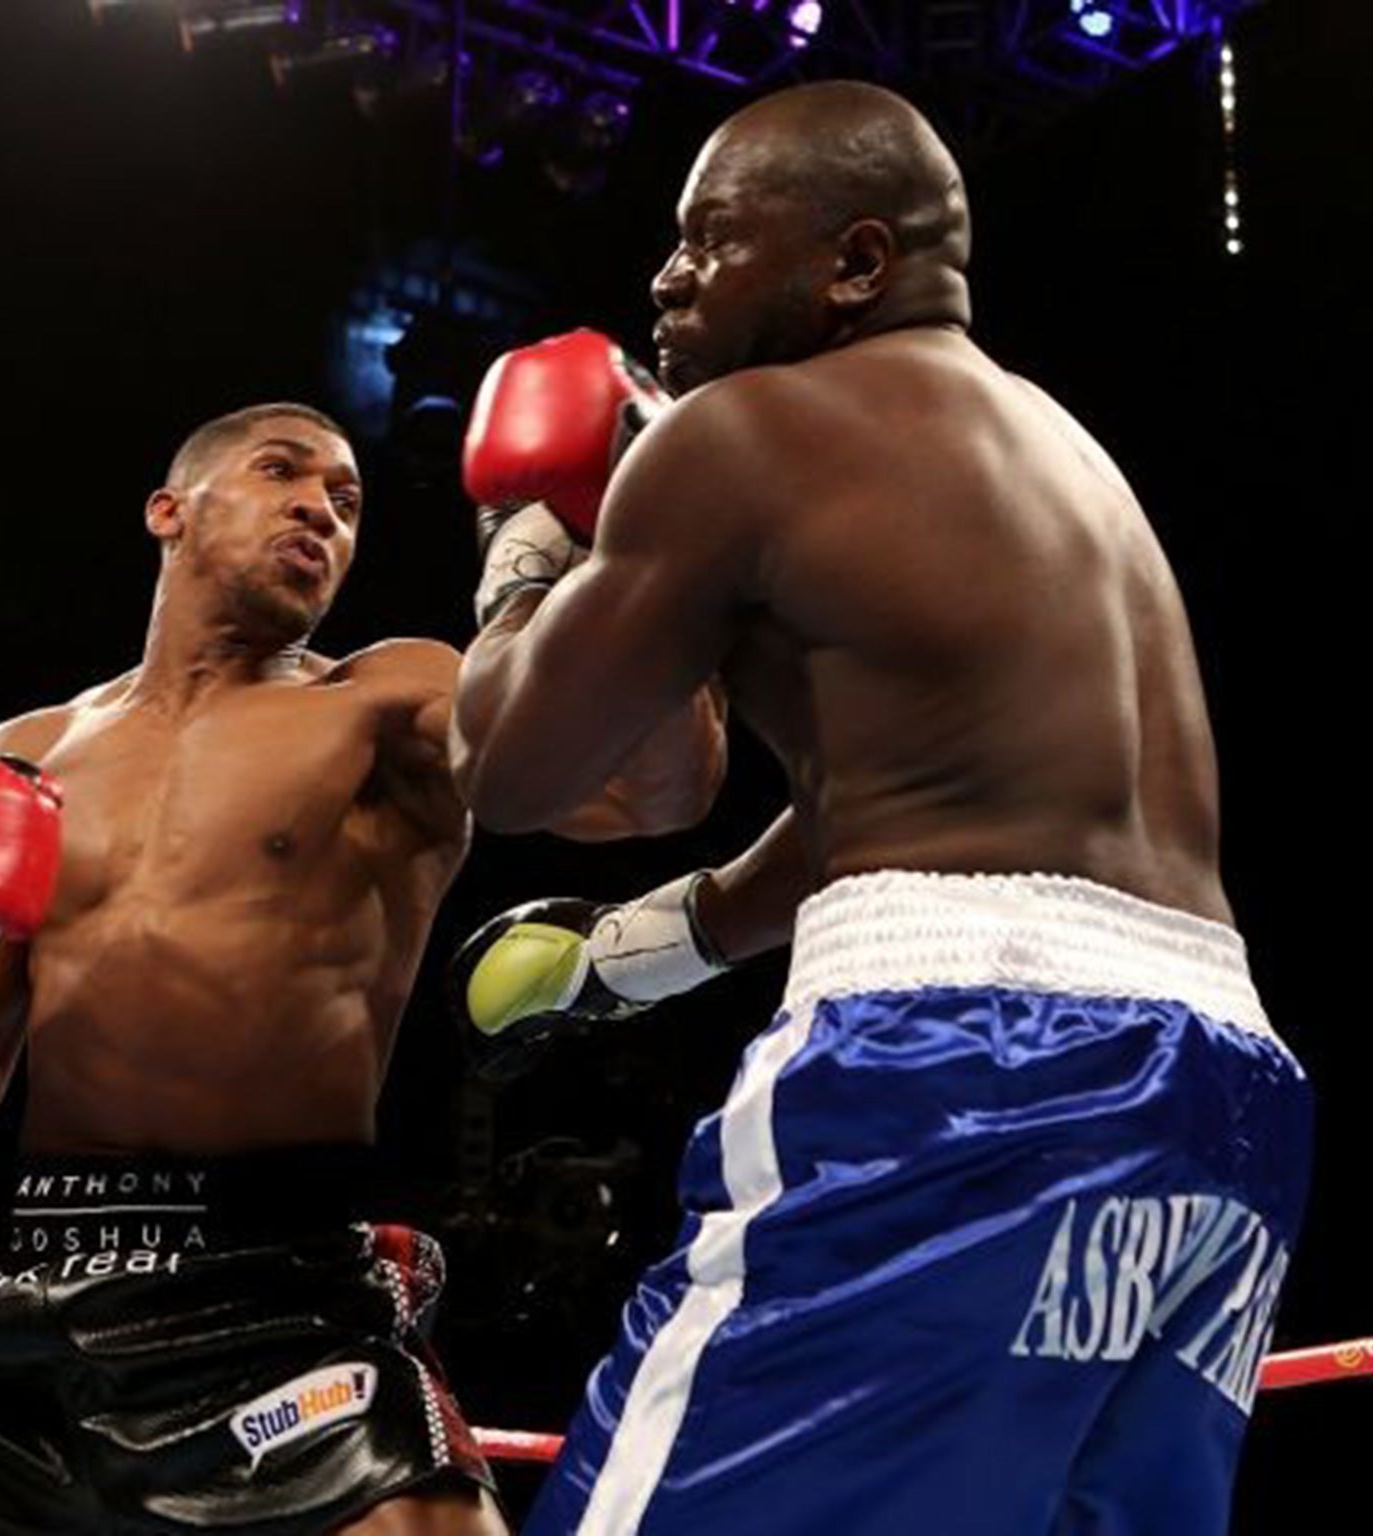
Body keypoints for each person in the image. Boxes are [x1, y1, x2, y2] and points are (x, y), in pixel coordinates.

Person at [447, 82, 1314, 1535]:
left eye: (710, 239)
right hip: (1225, 1104)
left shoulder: (744, 436)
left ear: (854, 263)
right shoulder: (1060, 460)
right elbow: (899, 813)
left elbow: (515, 767)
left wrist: (523, 540)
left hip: (962, 1069)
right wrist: (648, 950)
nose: (665, 277)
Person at [0, 402, 720, 1535]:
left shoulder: (387, 700)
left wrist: (632, 547)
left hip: (279, 1295)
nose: (319, 510)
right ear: (169, 512)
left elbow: (658, 791)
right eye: (283, 473)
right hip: (28, 1313)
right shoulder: (25, 758)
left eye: (346, 502)